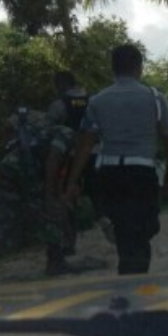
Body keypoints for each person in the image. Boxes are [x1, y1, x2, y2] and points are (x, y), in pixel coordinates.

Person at [63, 44, 168, 275]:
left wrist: (72, 182)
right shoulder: (155, 98)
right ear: (139, 67)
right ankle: (132, 280)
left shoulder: (98, 101)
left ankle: (128, 274)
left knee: (125, 230)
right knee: (143, 231)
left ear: (113, 69)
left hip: (110, 175)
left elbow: (85, 145)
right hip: (142, 173)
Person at [0, 109, 80, 282]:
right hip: (26, 170)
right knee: (48, 213)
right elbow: (53, 160)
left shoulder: (40, 128)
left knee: (4, 217)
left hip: (10, 167)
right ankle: (56, 261)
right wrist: (49, 195)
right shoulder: (65, 133)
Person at [46, 70, 110, 253]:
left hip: (69, 157)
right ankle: (105, 220)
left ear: (61, 85)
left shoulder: (59, 105)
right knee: (97, 194)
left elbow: (48, 129)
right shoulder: (93, 100)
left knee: (67, 197)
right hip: (96, 155)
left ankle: (69, 242)